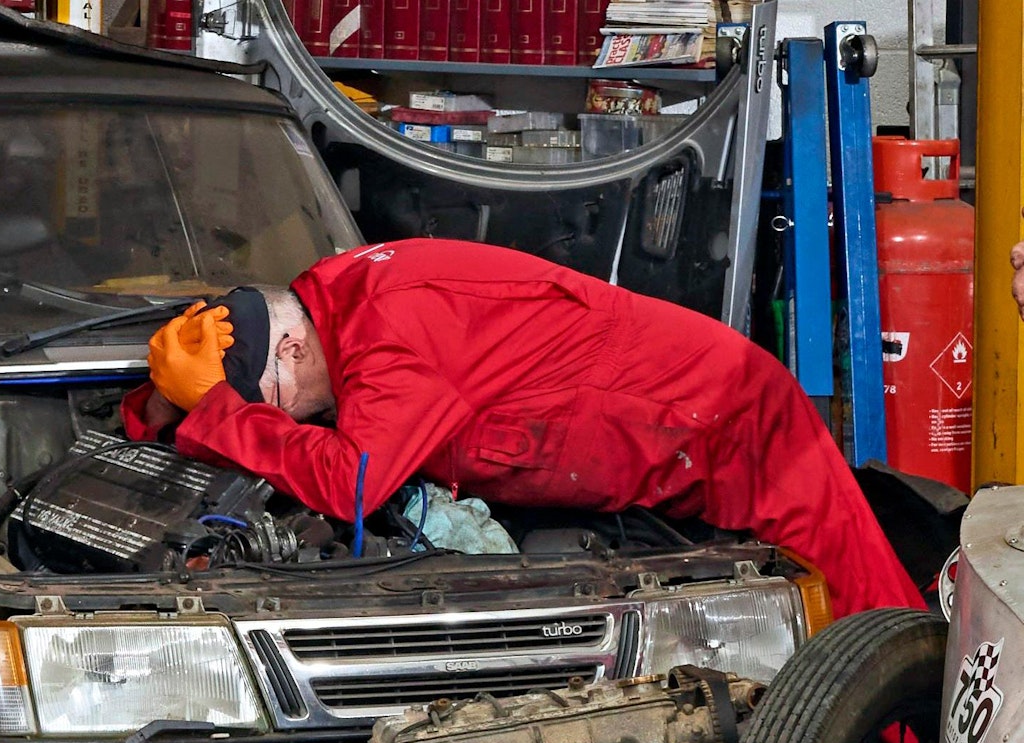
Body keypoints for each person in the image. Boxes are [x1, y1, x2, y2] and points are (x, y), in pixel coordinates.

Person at [128, 238, 925, 617]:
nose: (289, 421)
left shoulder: (390, 330)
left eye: (277, 402)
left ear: (295, 343)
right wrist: (161, 404)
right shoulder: (324, 310)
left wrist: (226, 419)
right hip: (637, 446)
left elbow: (354, 483)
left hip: (729, 422)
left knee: (865, 629)